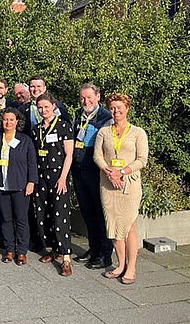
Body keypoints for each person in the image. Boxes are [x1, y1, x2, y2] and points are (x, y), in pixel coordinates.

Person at [94, 94, 148, 285]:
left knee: (129, 226)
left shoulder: (138, 133)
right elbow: (98, 156)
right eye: (112, 108)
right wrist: (109, 172)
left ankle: (131, 267)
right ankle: (120, 264)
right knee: (113, 225)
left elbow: (142, 159)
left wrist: (122, 173)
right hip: (108, 184)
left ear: (127, 108)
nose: (115, 111)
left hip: (129, 185)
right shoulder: (103, 132)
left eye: (119, 107)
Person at [0, 108, 37, 265]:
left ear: (17, 122)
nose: (8, 122)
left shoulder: (25, 140)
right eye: (5, 119)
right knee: (5, 219)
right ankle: (9, 249)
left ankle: (21, 251)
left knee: (21, 219)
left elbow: (32, 163)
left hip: (19, 185)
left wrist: (31, 182)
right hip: (0, 185)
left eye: (11, 120)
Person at [31, 93, 74, 276]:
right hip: (41, 175)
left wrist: (63, 178)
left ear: (53, 106)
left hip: (58, 175)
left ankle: (66, 257)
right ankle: (54, 250)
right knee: (43, 215)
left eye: (46, 107)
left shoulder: (64, 126)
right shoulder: (37, 128)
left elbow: (69, 154)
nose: (43, 110)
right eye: (40, 108)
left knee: (60, 215)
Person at [71, 84, 114, 269]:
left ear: (98, 97)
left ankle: (105, 254)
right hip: (79, 170)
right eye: (82, 98)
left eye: (89, 97)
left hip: (96, 172)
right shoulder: (78, 114)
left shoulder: (106, 117)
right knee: (87, 212)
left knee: (99, 213)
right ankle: (93, 248)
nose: (85, 101)